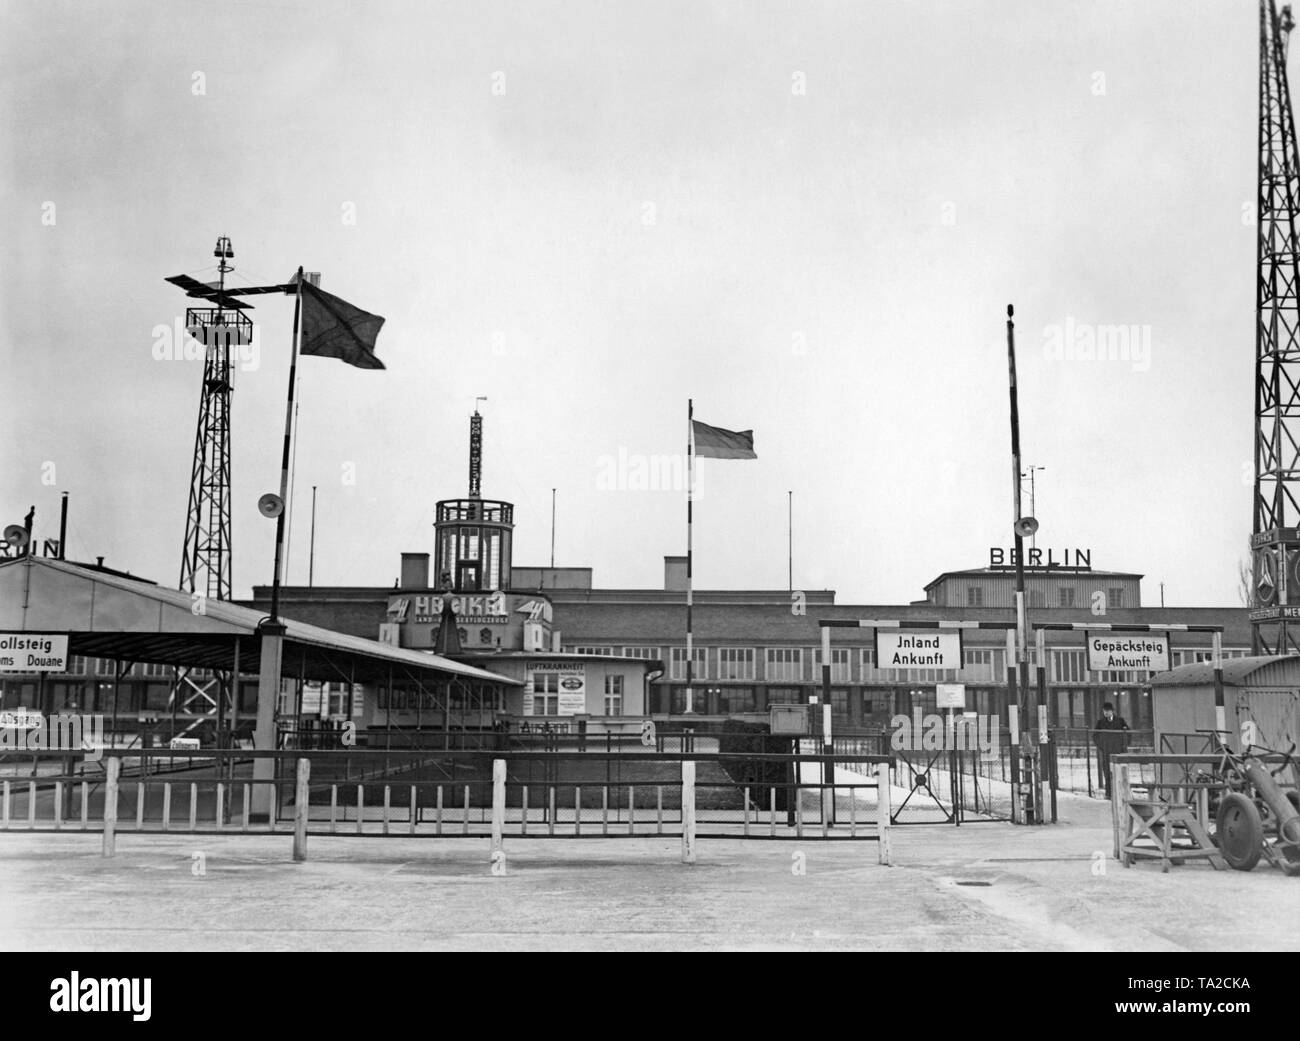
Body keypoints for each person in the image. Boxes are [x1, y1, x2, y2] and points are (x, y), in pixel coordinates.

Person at [1093, 701, 1130, 797]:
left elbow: (1128, 733)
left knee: (1119, 772)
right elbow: (1095, 735)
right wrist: (1102, 746)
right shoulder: (1100, 723)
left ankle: (1120, 794)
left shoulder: (1120, 721)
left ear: (1112, 711)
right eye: (1104, 711)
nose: (1106, 713)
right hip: (1107, 751)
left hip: (1118, 751)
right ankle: (1109, 794)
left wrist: (1124, 746)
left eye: (1108, 711)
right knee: (1107, 772)